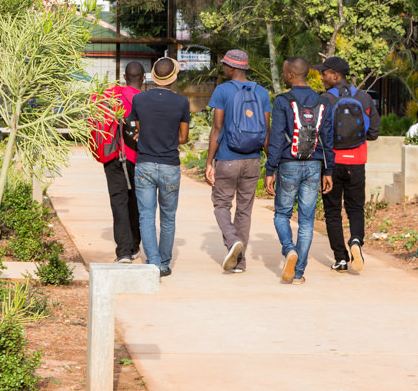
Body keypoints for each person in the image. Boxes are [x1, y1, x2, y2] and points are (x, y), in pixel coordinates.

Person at [265, 57, 334, 285]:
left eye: (285, 72)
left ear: (291, 75)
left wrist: (270, 169)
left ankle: (289, 249)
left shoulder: (282, 101)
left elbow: (276, 137)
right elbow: (328, 139)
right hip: (314, 165)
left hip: (288, 164)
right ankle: (298, 273)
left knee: (282, 214)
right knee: (306, 221)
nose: (283, 75)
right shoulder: (323, 101)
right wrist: (329, 171)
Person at [204, 49, 271, 273]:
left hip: (227, 158)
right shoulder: (261, 92)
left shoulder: (222, 90)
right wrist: (270, 165)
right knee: (244, 210)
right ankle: (240, 263)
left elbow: (217, 128)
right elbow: (266, 132)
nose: (223, 68)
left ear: (232, 68)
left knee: (222, 204)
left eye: (225, 65)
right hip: (252, 160)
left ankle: (232, 240)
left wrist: (209, 162)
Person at [315, 56, 379, 273]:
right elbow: (374, 132)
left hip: (331, 164)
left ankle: (340, 259)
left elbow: (318, 132)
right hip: (357, 162)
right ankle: (356, 241)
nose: (322, 78)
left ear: (335, 76)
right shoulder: (364, 97)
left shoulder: (324, 99)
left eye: (324, 74)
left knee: (332, 211)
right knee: (355, 208)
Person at [128, 57, 191, 278]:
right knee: (168, 217)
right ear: (174, 77)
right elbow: (183, 137)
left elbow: (137, 128)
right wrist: (170, 137)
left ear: (153, 75)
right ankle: (164, 264)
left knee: (146, 216)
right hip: (169, 166)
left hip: (144, 163)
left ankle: (152, 261)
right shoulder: (182, 102)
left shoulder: (139, 99)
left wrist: (145, 136)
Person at [102, 62, 144, 263]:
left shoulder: (111, 96)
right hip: (136, 157)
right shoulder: (143, 100)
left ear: (125, 77)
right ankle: (134, 245)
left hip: (112, 155)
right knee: (135, 200)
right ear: (143, 79)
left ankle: (123, 252)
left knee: (118, 201)